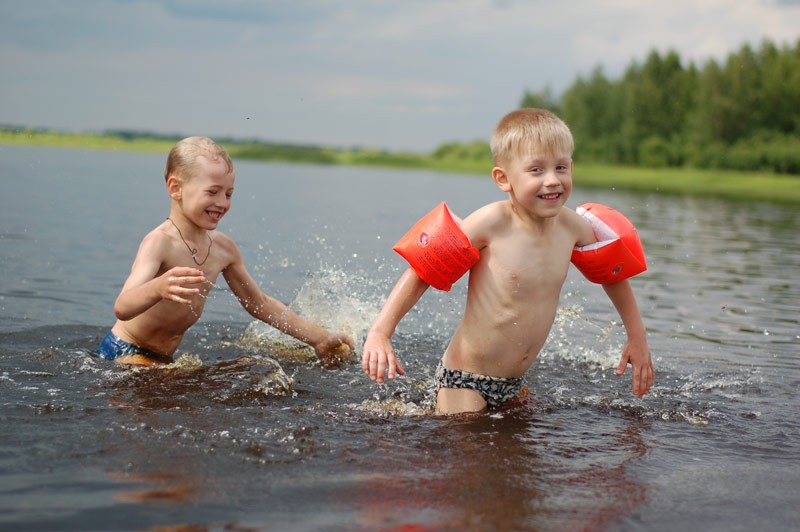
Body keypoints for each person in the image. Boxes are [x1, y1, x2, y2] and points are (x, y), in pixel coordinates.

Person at [362, 108, 654, 414]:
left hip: (514, 382)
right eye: (536, 170)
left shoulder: (573, 228)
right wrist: (380, 333)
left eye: (561, 167)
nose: (552, 180)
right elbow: (423, 270)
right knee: (467, 441)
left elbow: (612, 274)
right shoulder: (491, 224)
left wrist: (637, 337)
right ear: (504, 178)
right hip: (464, 379)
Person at [96, 136, 354, 366]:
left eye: (229, 194)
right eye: (212, 192)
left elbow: (259, 303)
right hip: (124, 351)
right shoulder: (160, 242)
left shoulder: (223, 248)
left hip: (161, 360)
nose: (222, 203)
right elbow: (123, 306)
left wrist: (320, 338)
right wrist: (158, 287)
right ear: (176, 188)